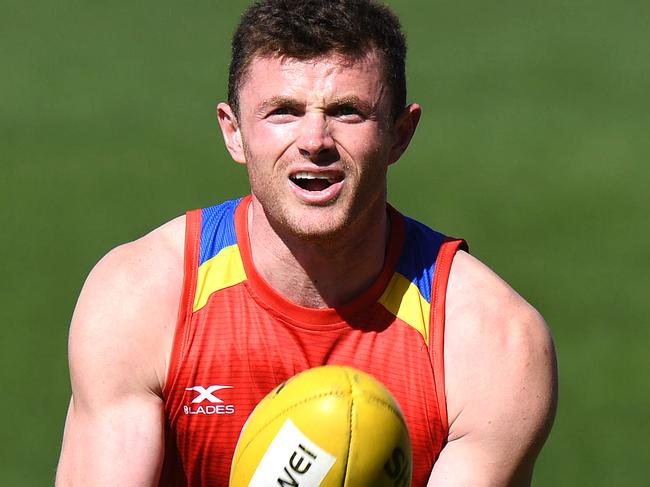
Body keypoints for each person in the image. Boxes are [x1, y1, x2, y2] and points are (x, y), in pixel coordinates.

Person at [56, 0, 557, 485]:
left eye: (347, 112)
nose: (314, 140)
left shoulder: (490, 340)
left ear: (401, 134)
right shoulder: (140, 298)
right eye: (282, 112)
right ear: (233, 132)